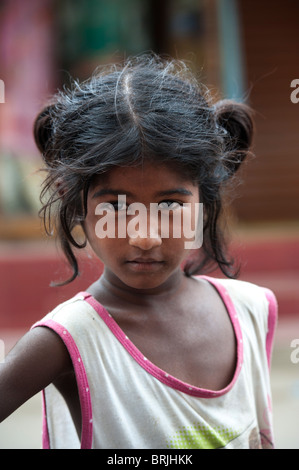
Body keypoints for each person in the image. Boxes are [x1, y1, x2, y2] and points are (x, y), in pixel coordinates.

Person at [0, 54, 277, 449]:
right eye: (116, 207)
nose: (145, 237)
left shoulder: (253, 310)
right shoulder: (70, 339)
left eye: (169, 206)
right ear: (75, 202)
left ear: (204, 198)